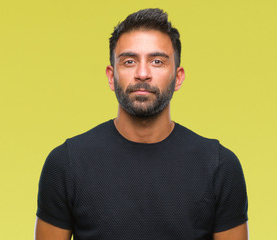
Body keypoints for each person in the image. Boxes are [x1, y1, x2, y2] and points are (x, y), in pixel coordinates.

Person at [35, 8, 248, 240]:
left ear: (177, 78)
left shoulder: (220, 167)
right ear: (111, 75)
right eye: (129, 61)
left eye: (157, 61)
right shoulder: (66, 164)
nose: (143, 73)